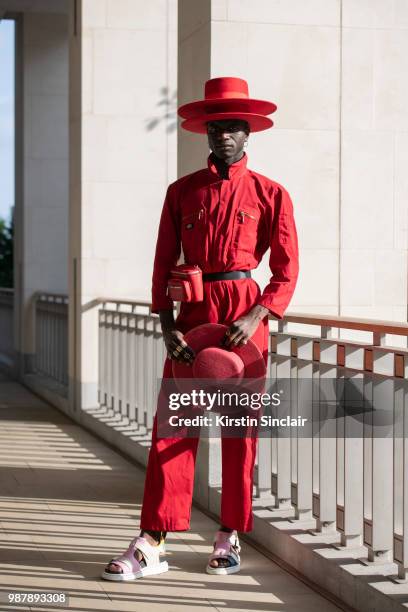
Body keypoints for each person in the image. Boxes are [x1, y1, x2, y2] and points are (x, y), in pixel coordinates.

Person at [102, 77, 299, 581]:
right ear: (206, 132)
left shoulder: (271, 193)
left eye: (234, 126)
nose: (225, 136)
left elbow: (285, 270)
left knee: (239, 432)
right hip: (192, 320)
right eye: (217, 127)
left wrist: (257, 315)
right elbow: (163, 261)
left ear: (248, 132)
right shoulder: (181, 192)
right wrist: (167, 326)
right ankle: (152, 542)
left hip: (243, 322)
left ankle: (229, 535)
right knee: (173, 429)